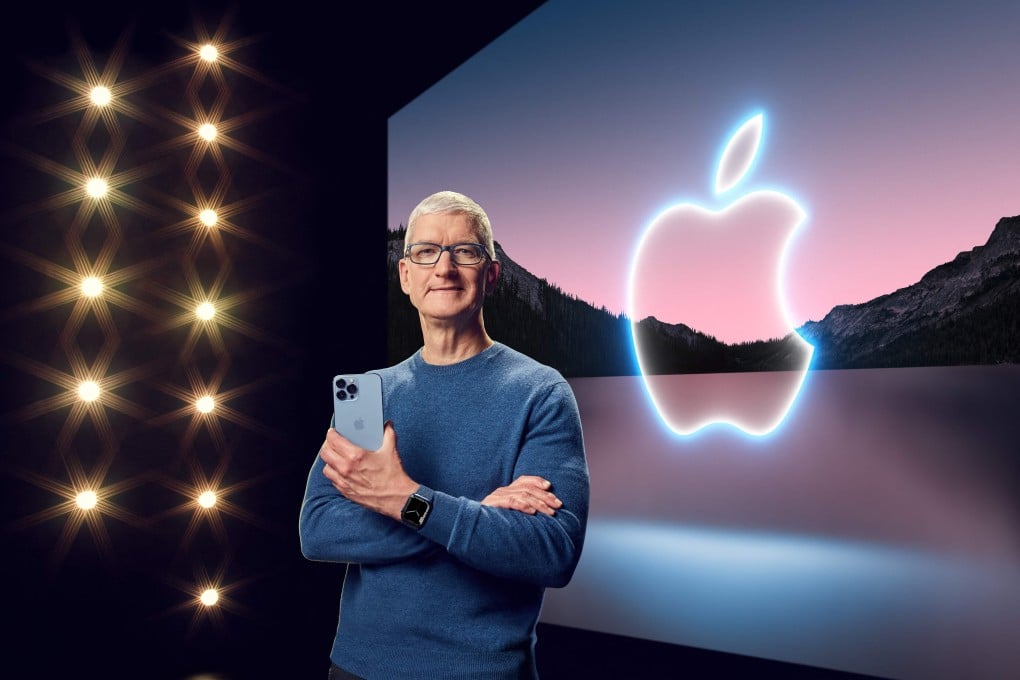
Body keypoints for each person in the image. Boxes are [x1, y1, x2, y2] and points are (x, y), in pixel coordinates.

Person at [299, 190, 590, 680]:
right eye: (426, 251)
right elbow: (319, 529)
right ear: (405, 275)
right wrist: (475, 515)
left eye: (466, 251)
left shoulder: (541, 393)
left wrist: (404, 499)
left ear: (492, 274)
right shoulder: (373, 395)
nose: (445, 268)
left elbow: (551, 551)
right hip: (356, 668)